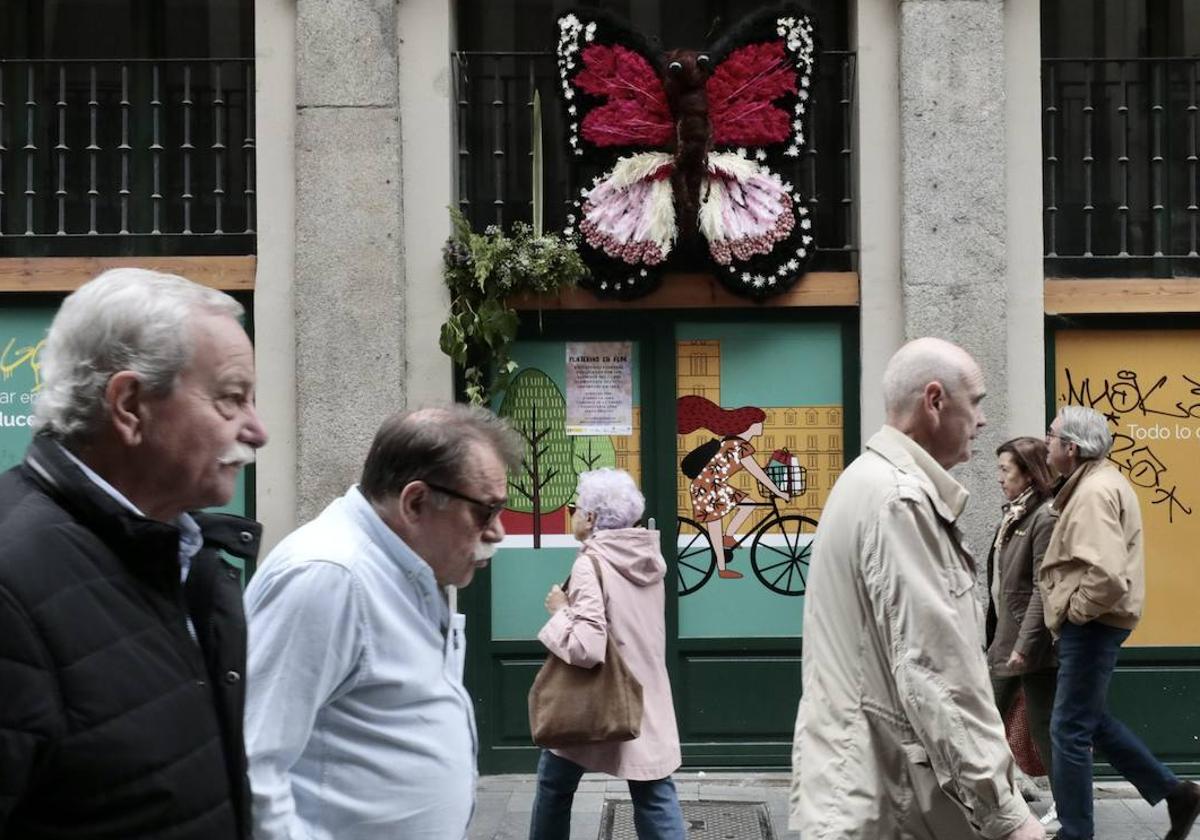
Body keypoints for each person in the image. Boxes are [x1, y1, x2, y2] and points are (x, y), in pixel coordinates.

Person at [0, 268, 268, 838]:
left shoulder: (183, 553)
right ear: (129, 405)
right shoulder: (12, 585)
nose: (256, 429)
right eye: (231, 398)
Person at [789, 337, 1043, 840]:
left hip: (860, 788)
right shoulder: (900, 499)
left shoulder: (867, 481)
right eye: (976, 402)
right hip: (887, 799)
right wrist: (1007, 815)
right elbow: (937, 671)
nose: (983, 420)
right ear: (934, 401)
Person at [243, 405, 521, 840]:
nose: (498, 532)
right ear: (415, 502)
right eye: (485, 512)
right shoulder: (330, 576)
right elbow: (253, 763)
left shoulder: (403, 568)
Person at [1041, 405, 1200, 840]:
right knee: (1089, 720)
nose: (1046, 442)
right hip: (1099, 622)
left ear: (1070, 448)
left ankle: (1075, 832)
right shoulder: (1094, 484)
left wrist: (1075, 611)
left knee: (1069, 729)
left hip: (1093, 624)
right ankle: (1175, 792)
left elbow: (1108, 575)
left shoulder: (1093, 492)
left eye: (1052, 436)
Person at [530, 468, 685, 840]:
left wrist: (559, 612)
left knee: (554, 784)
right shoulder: (647, 557)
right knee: (653, 789)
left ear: (592, 518)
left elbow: (586, 647)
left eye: (576, 507)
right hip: (643, 691)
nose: (573, 514)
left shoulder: (591, 563)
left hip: (597, 696)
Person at [986, 437, 1058, 777]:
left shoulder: (1043, 518)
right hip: (1008, 638)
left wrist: (1025, 645)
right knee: (989, 724)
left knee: (1040, 728)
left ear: (1028, 474)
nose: (999, 478)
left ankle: (1070, 809)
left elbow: (1042, 589)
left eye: (1005, 470)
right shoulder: (1016, 514)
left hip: (1025, 644)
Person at [676, 395, 788, 580]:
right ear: (750, 425)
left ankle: (728, 536)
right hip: (706, 488)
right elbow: (758, 473)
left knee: (749, 504)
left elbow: (757, 472)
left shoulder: (733, 442)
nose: (761, 426)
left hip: (714, 485)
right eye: (759, 422)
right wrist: (779, 492)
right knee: (715, 526)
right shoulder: (738, 446)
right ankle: (721, 568)